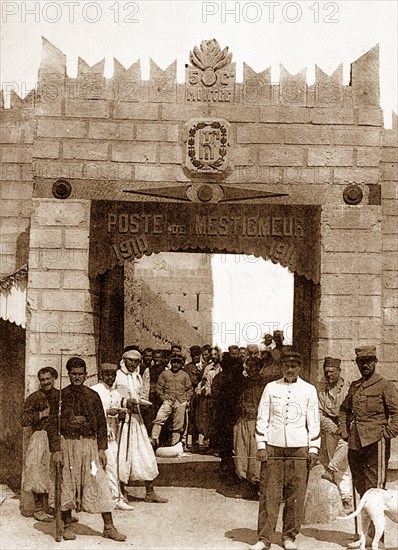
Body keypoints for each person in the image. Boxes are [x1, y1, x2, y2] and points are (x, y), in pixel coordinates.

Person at [250, 347, 320, 550]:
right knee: (269, 495)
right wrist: (261, 445)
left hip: (299, 448)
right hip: (273, 447)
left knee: (295, 496)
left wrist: (313, 448)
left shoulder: (309, 390)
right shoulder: (271, 388)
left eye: (294, 366)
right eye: (286, 365)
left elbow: (313, 422)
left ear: (299, 368)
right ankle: (264, 538)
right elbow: (262, 418)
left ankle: (289, 536)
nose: (290, 369)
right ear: (281, 367)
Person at [50, 357, 126, 542]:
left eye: (80, 374)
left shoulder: (93, 396)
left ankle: (109, 526)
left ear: (85, 375)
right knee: (67, 485)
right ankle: (66, 526)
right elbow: (52, 425)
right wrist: (56, 450)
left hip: (90, 447)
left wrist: (101, 449)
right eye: (73, 374)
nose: (77, 377)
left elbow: (101, 424)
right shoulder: (60, 396)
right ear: (69, 375)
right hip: (67, 445)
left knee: (99, 482)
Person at [338, 346, 398, 549]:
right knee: (361, 491)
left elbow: (396, 413)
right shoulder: (355, 386)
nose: (365, 365)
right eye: (361, 362)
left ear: (376, 362)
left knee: (375, 491)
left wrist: (387, 433)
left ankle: (377, 540)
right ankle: (361, 536)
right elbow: (344, 410)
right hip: (355, 444)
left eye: (369, 361)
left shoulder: (385, 385)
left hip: (376, 444)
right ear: (356, 363)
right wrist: (344, 432)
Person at [115, 349, 168, 503]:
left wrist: (142, 404)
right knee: (123, 456)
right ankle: (122, 492)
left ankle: (150, 492)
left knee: (145, 454)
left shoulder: (138, 377)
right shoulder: (117, 376)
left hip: (137, 421)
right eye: (130, 360)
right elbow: (113, 396)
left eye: (136, 361)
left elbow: (140, 396)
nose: (133, 364)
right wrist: (124, 402)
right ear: (124, 360)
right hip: (122, 422)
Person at [91, 363, 134, 511]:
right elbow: (91, 413)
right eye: (107, 374)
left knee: (112, 467)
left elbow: (119, 414)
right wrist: (106, 411)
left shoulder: (116, 393)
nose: (110, 377)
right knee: (96, 468)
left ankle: (115, 498)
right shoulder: (94, 391)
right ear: (101, 375)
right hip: (96, 436)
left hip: (112, 436)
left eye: (113, 374)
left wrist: (121, 415)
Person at [21, 367, 59, 522]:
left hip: (56, 437)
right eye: (42, 380)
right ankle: (39, 509)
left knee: (54, 472)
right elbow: (23, 420)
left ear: (54, 378)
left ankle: (52, 506)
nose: (45, 382)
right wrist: (41, 415)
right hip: (40, 436)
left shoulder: (61, 396)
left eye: (48, 379)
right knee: (37, 470)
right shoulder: (33, 398)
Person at [317, 356, 352, 511]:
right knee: (337, 461)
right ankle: (341, 497)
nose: (329, 375)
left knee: (342, 457)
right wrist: (333, 428)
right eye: (326, 372)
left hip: (347, 429)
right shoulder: (321, 391)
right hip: (330, 429)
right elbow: (318, 414)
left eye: (332, 371)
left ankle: (346, 496)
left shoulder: (348, 388)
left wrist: (343, 429)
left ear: (339, 371)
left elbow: (352, 411)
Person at [233, 357, 267, 494]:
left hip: (257, 423)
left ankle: (257, 484)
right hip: (243, 421)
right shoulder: (242, 383)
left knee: (255, 454)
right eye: (249, 368)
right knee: (241, 452)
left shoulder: (264, 385)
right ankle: (247, 483)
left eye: (254, 367)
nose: (251, 370)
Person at [151, 355, 193, 446]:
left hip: (180, 400)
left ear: (181, 364)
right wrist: (163, 398)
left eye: (178, 362)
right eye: (174, 362)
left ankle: (175, 443)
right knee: (159, 418)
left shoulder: (184, 374)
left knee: (178, 423)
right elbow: (159, 388)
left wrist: (186, 399)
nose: (176, 365)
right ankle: (154, 440)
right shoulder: (165, 373)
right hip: (168, 400)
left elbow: (189, 389)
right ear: (171, 362)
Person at [184, 345, 204, 452]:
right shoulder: (187, 367)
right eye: (193, 355)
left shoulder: (204, 366)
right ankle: (190, 442)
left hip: (201, 395)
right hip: (192, 395)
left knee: (200, 417)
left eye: (197, 355)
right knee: (191, 417)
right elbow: (192, 381)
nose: (195, 357)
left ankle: (200, 442)